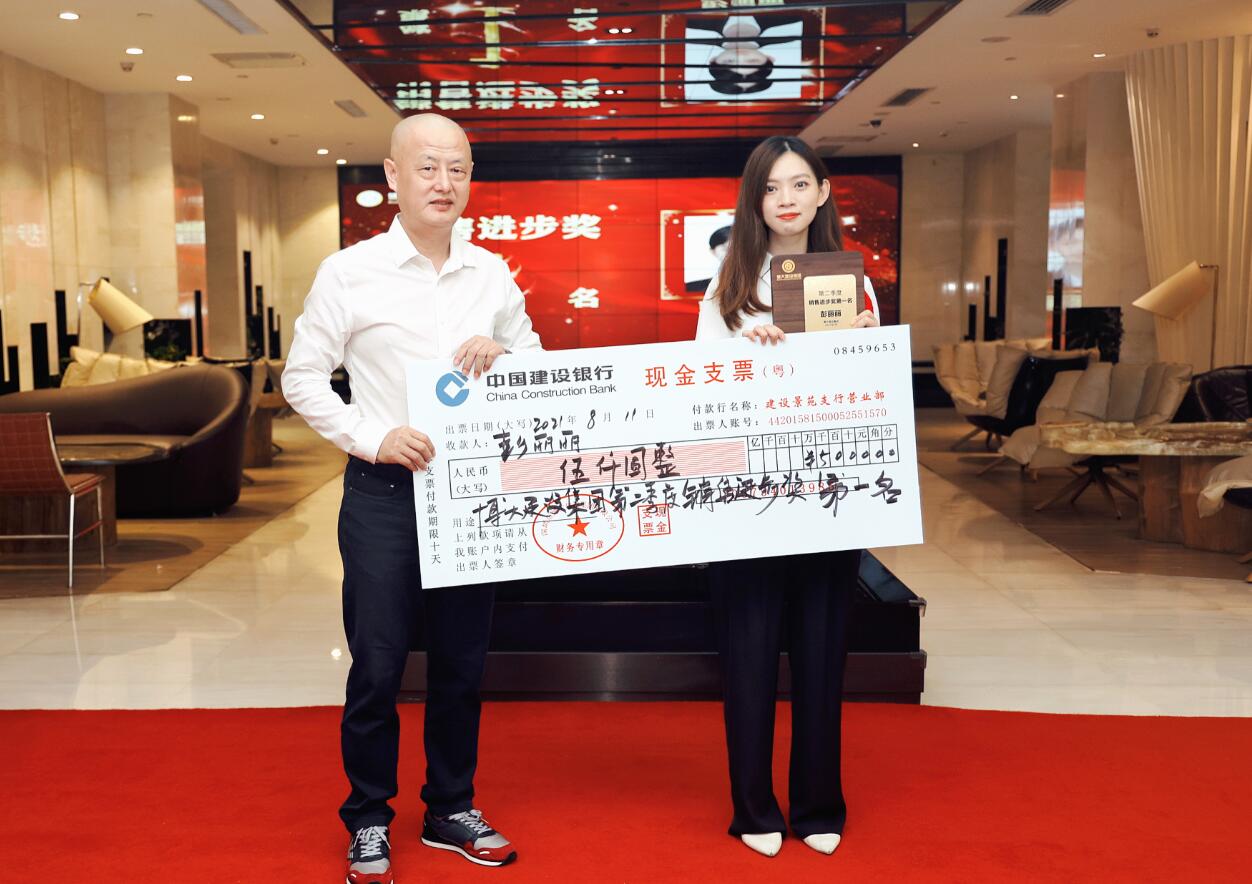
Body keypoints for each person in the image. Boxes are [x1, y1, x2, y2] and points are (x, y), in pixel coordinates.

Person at [283, 113, 540, 884]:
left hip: (471, 497)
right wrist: (372, 436)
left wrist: (506, 352)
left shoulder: (491, 272)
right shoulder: (349, 272)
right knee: (378, 665)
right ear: (392, 177)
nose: (444, 182)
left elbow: (537, 365)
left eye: (457, 168)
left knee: (461, 664)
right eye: (427, 167)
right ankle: (368, 816)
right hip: (385, 495)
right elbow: (302, 377)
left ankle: (450, 806)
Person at [694, 134, 879, 859]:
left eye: (800, 184)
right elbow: (697, 389)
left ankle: (818, 804)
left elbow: (868, 395)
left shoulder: (851, 282)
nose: (787, 200)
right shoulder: (728, 283)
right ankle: (753, 809)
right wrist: (748, 355)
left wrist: (865, 342)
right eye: (771, 188)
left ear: (823, 192)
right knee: (747, 656)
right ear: (754, 200)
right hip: (747, 497)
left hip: (827, 492)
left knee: (822, 652)